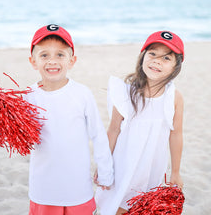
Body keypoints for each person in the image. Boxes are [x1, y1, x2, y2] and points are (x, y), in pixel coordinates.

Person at [25, 24, 114, 215]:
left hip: (78, 188)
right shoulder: (28, 96)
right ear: (33, 61)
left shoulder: (82, 94)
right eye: (44, 55)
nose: (52, 61)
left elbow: (98, 135)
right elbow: (19, 138)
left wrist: (106, 172)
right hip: (43, 187)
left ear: (71, 60)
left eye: (60, 54)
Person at [95, 31, 184, 215]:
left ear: (176, 66)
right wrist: (103, 165)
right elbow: (113, 131)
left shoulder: (174, 97)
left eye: (166, 58)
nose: (157, 61)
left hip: (151, 167)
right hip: (123, 165)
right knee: (116, 206)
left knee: (141, 208)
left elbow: (176, 134)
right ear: (142, 57)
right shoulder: (125, 93)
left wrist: (175, 171)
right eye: (152, 53)